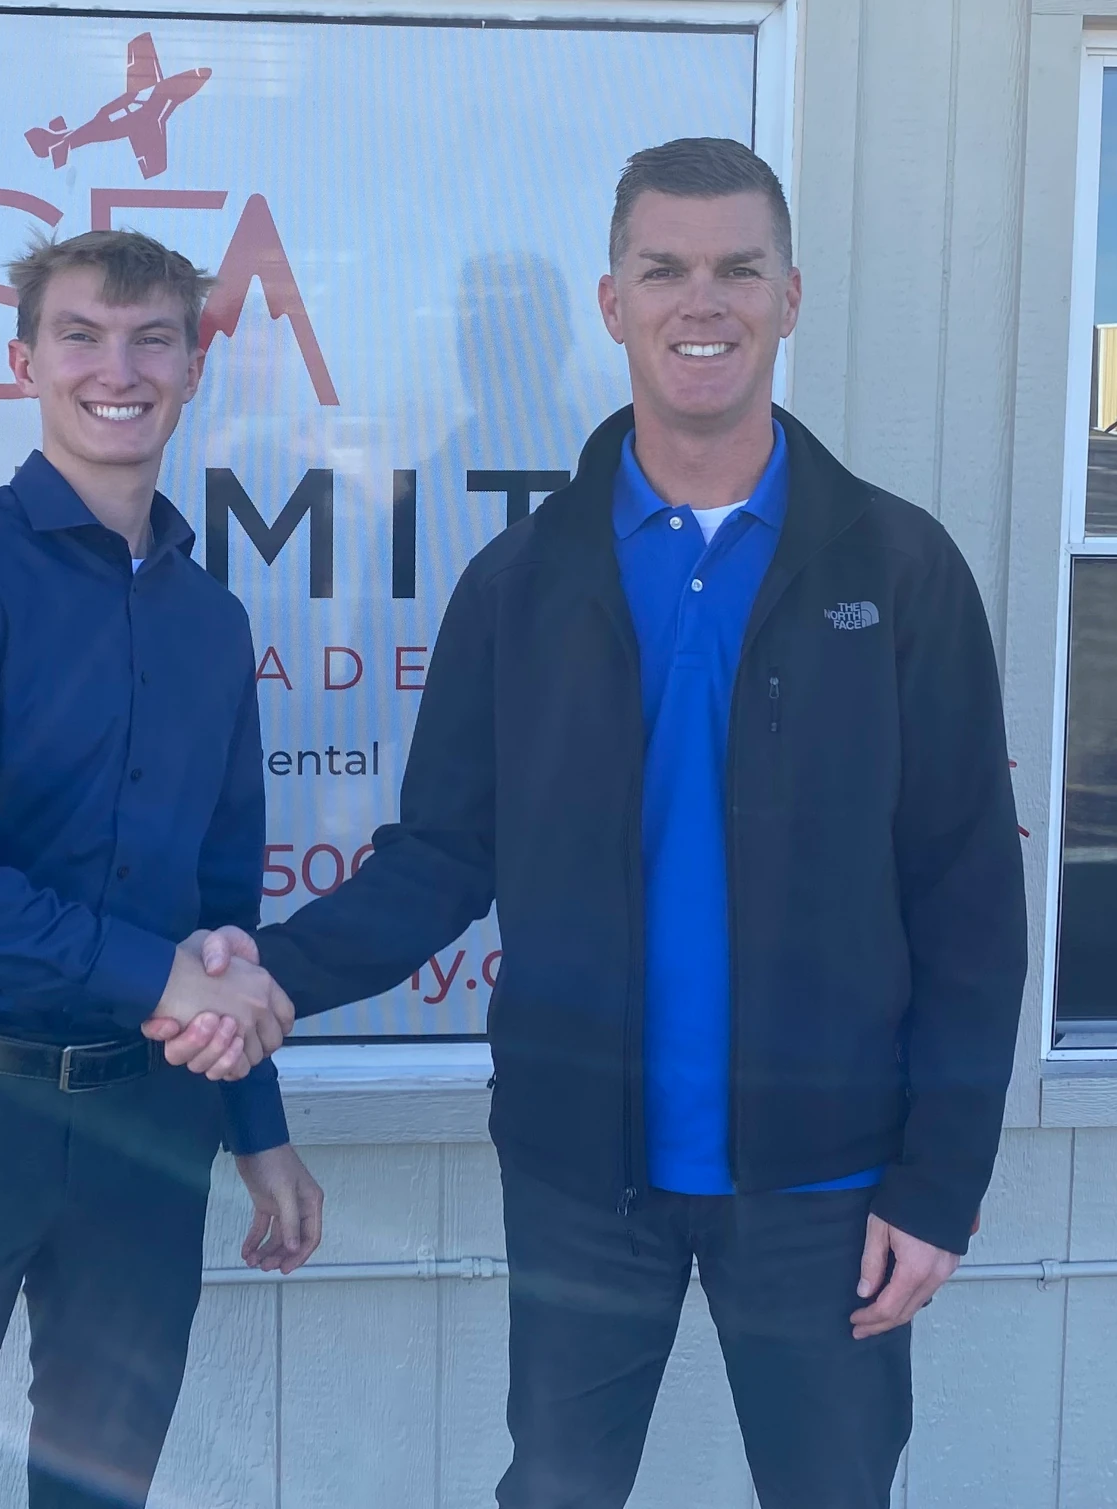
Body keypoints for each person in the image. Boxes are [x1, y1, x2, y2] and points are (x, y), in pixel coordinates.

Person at [177, 137, 1026, 1508]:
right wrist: (275, 972)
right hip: (584, 1173)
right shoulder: (524, 580)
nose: (705, 301)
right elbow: (442, 854)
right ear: (612, 302)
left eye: (737, 268)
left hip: (830, 1176)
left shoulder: (898, 566)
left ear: (790, 295)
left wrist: (939, 1181)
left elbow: (967, 896)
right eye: (666, 269)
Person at [0, 229, 322, 1509]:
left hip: (151, 1126)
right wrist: (150, 970)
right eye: (82, 335)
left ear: (195, 365)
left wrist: (254, 1128)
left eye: (153, 337)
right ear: (22, 362)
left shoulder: (212, 621)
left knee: (104, 1490)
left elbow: (220, 915)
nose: (119, 367)